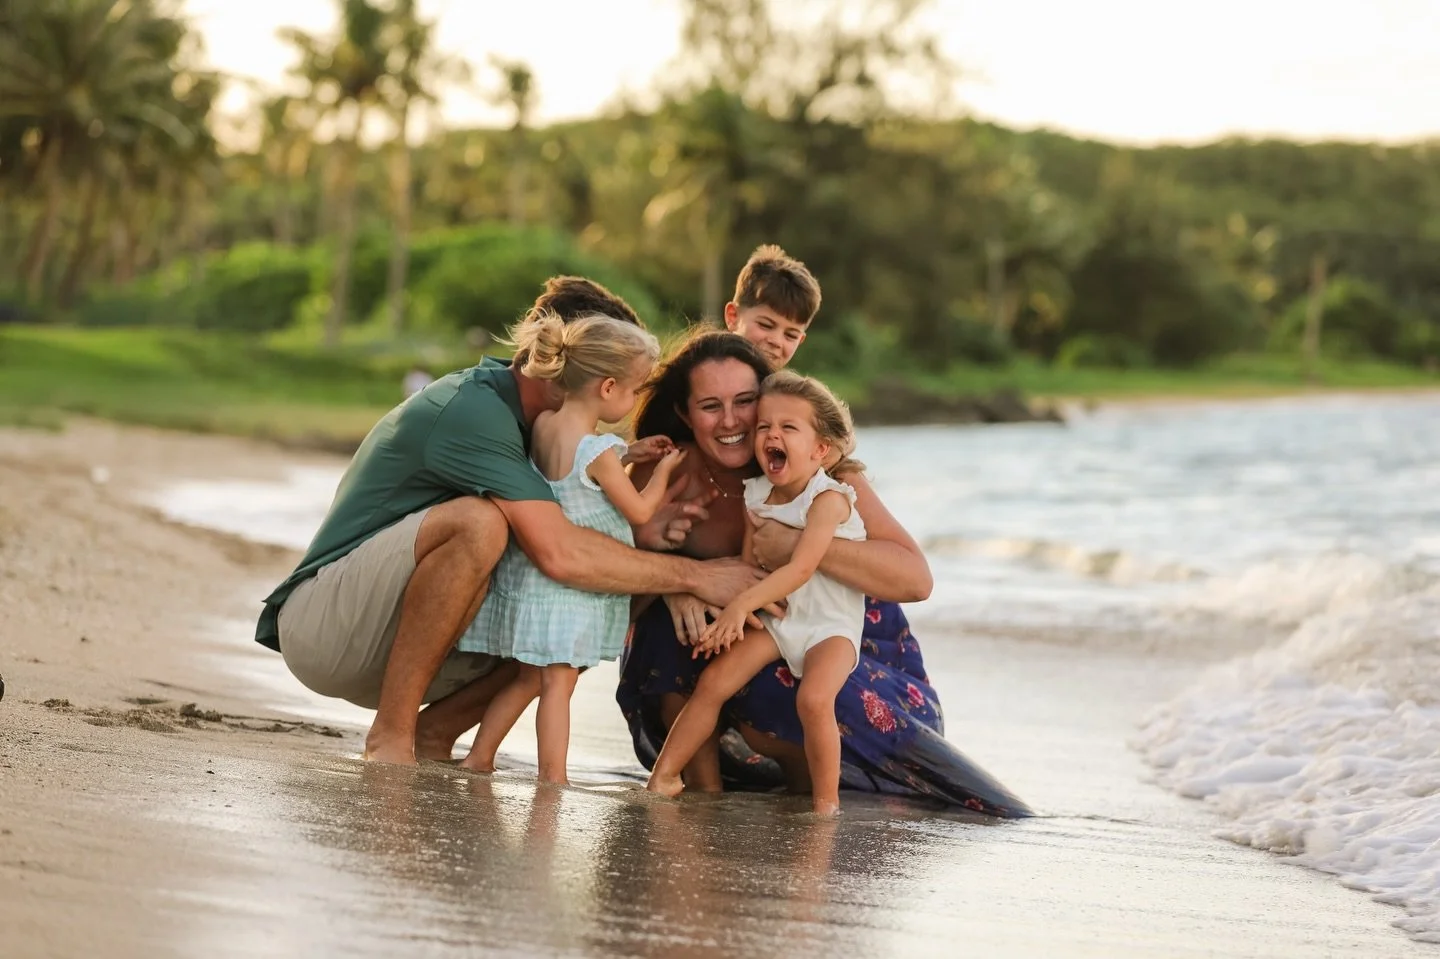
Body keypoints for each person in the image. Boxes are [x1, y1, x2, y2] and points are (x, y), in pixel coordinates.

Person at [254, 276, 759, 765]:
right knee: (482, 525)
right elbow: (561, 553)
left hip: (392, 628)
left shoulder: (547, 429)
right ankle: (392, 736)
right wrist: (696, 576)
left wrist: (654, 556)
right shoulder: (477, 411)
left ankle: (438, 730)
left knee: (573, 604)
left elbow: (582, 540)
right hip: (328, 626)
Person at [618, 324, 1029, 815]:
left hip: (852, 645)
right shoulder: (661, 475)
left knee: (785, 684)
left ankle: (813, 793)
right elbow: (599, 592)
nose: (733, 421)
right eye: (710, 406)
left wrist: (800, 544)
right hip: (760, 629)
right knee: (671, 634)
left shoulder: (826, 476)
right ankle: (702, 796)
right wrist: (677, 579)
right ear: (686, 412)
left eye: (746, 402)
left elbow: (916, 580)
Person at [455, 311, 685, 784]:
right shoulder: (598, 451)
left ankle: (479, 757)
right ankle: (552, 778)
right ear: (607, 388)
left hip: (534, 577)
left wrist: (629, 454)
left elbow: (570, 473)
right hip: (570, 590)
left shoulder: (545, 426)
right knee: (559, 684)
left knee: (527, 679)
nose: (636, 398)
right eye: (634, 389)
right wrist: (663, 473)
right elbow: (639, 512)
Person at [647, 371, 867, 815]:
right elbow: (750, 569)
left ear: (820, 449)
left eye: (789, 427)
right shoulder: (757, 495)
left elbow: (803, 567)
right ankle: (663, 778)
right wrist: (731, 618)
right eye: (764, 426)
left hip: (830, 626)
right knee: (711, 683)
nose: (772, 434)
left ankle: (827, 805)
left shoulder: (829, 499)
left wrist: (744, 605)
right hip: (779, 619)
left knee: (813, 699)